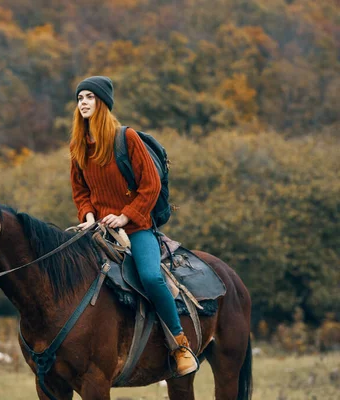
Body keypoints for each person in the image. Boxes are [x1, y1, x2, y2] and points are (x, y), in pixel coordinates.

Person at [69, 76, 198, 376]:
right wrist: (87, 215)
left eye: (90, 97)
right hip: (98, 230)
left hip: (136, 228)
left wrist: (125, 216)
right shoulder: (78, 145)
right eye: (80, 98)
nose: (83, 102)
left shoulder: (126, 139)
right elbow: (80, 191)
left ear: (102, 103)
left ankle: (180, 345)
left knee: (152, 278)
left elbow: (150, 185)